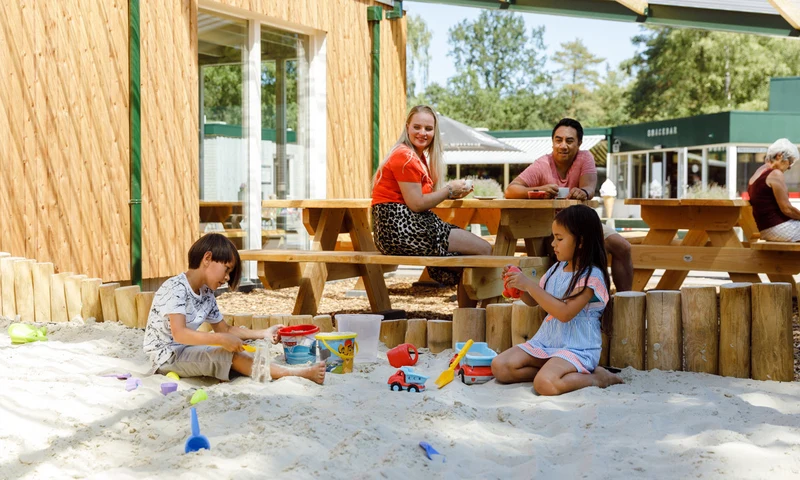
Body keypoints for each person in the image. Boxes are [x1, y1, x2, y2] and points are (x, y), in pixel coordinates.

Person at [142, 233, 326, 384]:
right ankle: (296, 374)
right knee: (231, 355)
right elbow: (179, 334)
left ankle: (271, 370)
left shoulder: (206, 293)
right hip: (166, 357)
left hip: (186, 350)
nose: (227, 278)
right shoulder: (175, 288)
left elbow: (225, 329)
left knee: (237, 351)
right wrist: (220, 339)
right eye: (227, 269)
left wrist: (263, 333)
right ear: (207, 258)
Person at [491, 205, 624, 396]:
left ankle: (598, 378)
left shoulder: (591, 277)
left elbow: (564, 313)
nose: (553, 244)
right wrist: (519, 287)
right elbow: (535, 301)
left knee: (544, 385)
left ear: (581, 241)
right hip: (546, 342)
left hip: (577, 348)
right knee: (500, 367)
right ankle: (552, 372)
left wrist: (529, 284)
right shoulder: (555, 269)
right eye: (553, 237)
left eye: (559, 238)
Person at [371, 105, 491, 302]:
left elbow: (420, 198)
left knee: (472, 259)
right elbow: (417, 204)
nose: (422, 133)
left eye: (428, 128)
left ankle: (469, 315)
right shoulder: (405, 156)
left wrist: (452, 194)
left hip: (397, 230)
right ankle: (474, 314)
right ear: (407, 127)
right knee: (483, 251)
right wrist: (448, 190)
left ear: (435, 132)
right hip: (401, 230)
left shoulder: (415, 156)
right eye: (417, 127)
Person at [504, 118, 633, 292]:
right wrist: (538, 190)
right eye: (558, 140)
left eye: (569, 141)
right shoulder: (543, 163)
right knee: (588, 250)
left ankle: (626, 299)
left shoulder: (585, 157)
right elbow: (510, 190)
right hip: (550, 227)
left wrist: (583, 192)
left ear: (579, 143)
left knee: (623, 247)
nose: (563, 145)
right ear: (552, 142)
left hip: (583, 223)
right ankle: (586, 297)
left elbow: (589, 188)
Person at [747, 138, 800, 242]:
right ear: (780, 156)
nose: (789, 167)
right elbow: (787, 209)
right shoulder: (775, 174)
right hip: (780, 228)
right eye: (790, 162)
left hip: (765, 229)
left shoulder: (757, 174)